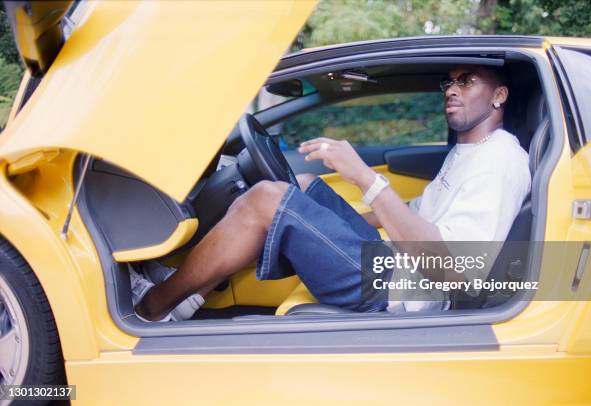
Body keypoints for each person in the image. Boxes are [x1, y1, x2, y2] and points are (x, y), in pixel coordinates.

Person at [129, 65, 531, 321]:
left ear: (499, 96)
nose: (451, 89)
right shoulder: (469, 151)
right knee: (299, 187)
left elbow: (453, 272)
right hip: (392, 260)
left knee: (269, 198)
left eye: (466, 81)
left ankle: (152, 308)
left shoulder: (500, 163)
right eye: (449, 81)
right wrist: (349, 216)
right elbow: (416, 215)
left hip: (398, 291)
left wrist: (365, 179)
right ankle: (186, 293)